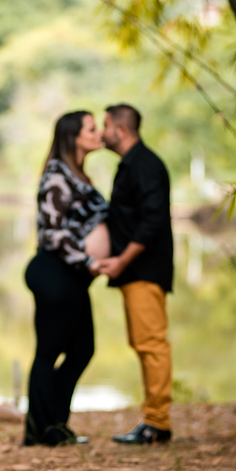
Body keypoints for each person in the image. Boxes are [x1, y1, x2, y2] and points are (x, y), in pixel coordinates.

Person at [23, 111, 110, 447]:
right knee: (48, 352)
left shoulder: (77, 173)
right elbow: (53, 235)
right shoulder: (56, 176)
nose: (98, 132)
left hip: (71, 275)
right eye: (91, 128)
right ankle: (43, 430)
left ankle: (55, 423)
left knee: (82, 349)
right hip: (54, 271)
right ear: (74, 137)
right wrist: (89, 260)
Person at [96, 103, 175, 445]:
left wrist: (122, 260)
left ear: (121, 129)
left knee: (152, 344)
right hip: (135, 270)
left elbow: (152, 221)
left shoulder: (145, 165)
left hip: (144, 269)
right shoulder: (131, 165)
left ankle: (158, 423)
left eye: (105, 125)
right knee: (142, 342)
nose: (102, 132)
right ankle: (153, 420)